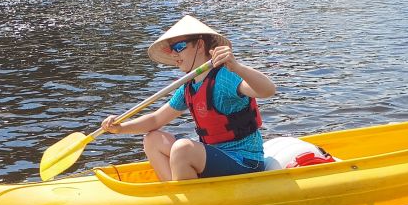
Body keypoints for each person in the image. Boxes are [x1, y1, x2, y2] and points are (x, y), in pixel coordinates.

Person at [100, 15, 276, 181]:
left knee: (182, 149)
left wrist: (237, 67)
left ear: (199, 45)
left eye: (179, 47)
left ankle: (185, 196)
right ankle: (174, 193)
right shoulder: (189, 86)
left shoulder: (225, 77)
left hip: (244, 161)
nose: (174, 54)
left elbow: (268, 91)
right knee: (152, 140)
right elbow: (155, 120)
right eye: (171, 50)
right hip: (214, 156)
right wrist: (120, 128)